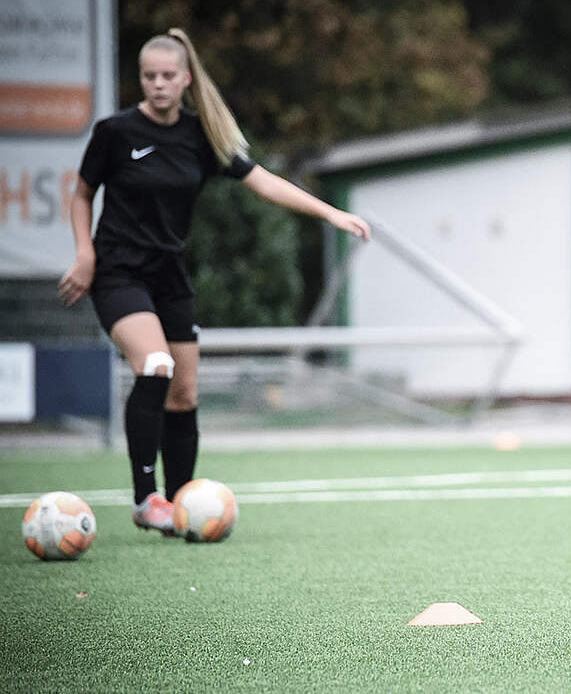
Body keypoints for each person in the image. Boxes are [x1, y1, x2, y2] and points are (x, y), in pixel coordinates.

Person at [57, 29, 371, 534]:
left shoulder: (202, 136)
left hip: (170, 276)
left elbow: (263, 181)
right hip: (118, 272)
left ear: (184, 79)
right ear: (141, 78)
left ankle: (182, 508)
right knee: (155, 365)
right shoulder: (115, 132)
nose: (157, 85)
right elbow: (80, 194)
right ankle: (146, 500)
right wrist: (84, 253)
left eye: (166, 76)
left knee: (183, 393)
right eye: (148, 76)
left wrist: (330, 213)